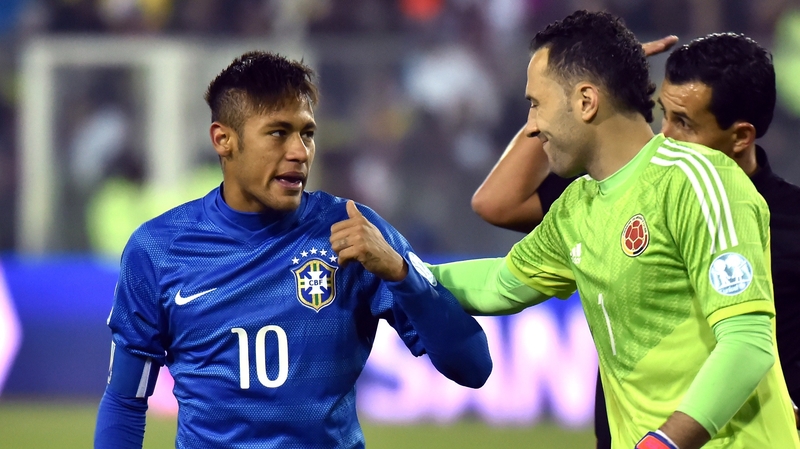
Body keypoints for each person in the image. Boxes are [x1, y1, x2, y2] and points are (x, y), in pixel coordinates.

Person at [430, 10, 800, 449]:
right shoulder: (579, 204)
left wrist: (662, 443)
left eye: (537, 104)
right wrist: (397, 270)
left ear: (587, 101)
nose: (532, 125)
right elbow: (499, 282)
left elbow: (748, 342)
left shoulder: (703, 180)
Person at [93, 51, 492, 449]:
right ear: (223, 140)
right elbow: (126, 400)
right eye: (278, 133)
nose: (300, 152)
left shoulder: (352, 230)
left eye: (307, 133)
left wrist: (403, 275)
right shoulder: (158, 251)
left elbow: (473, 367)